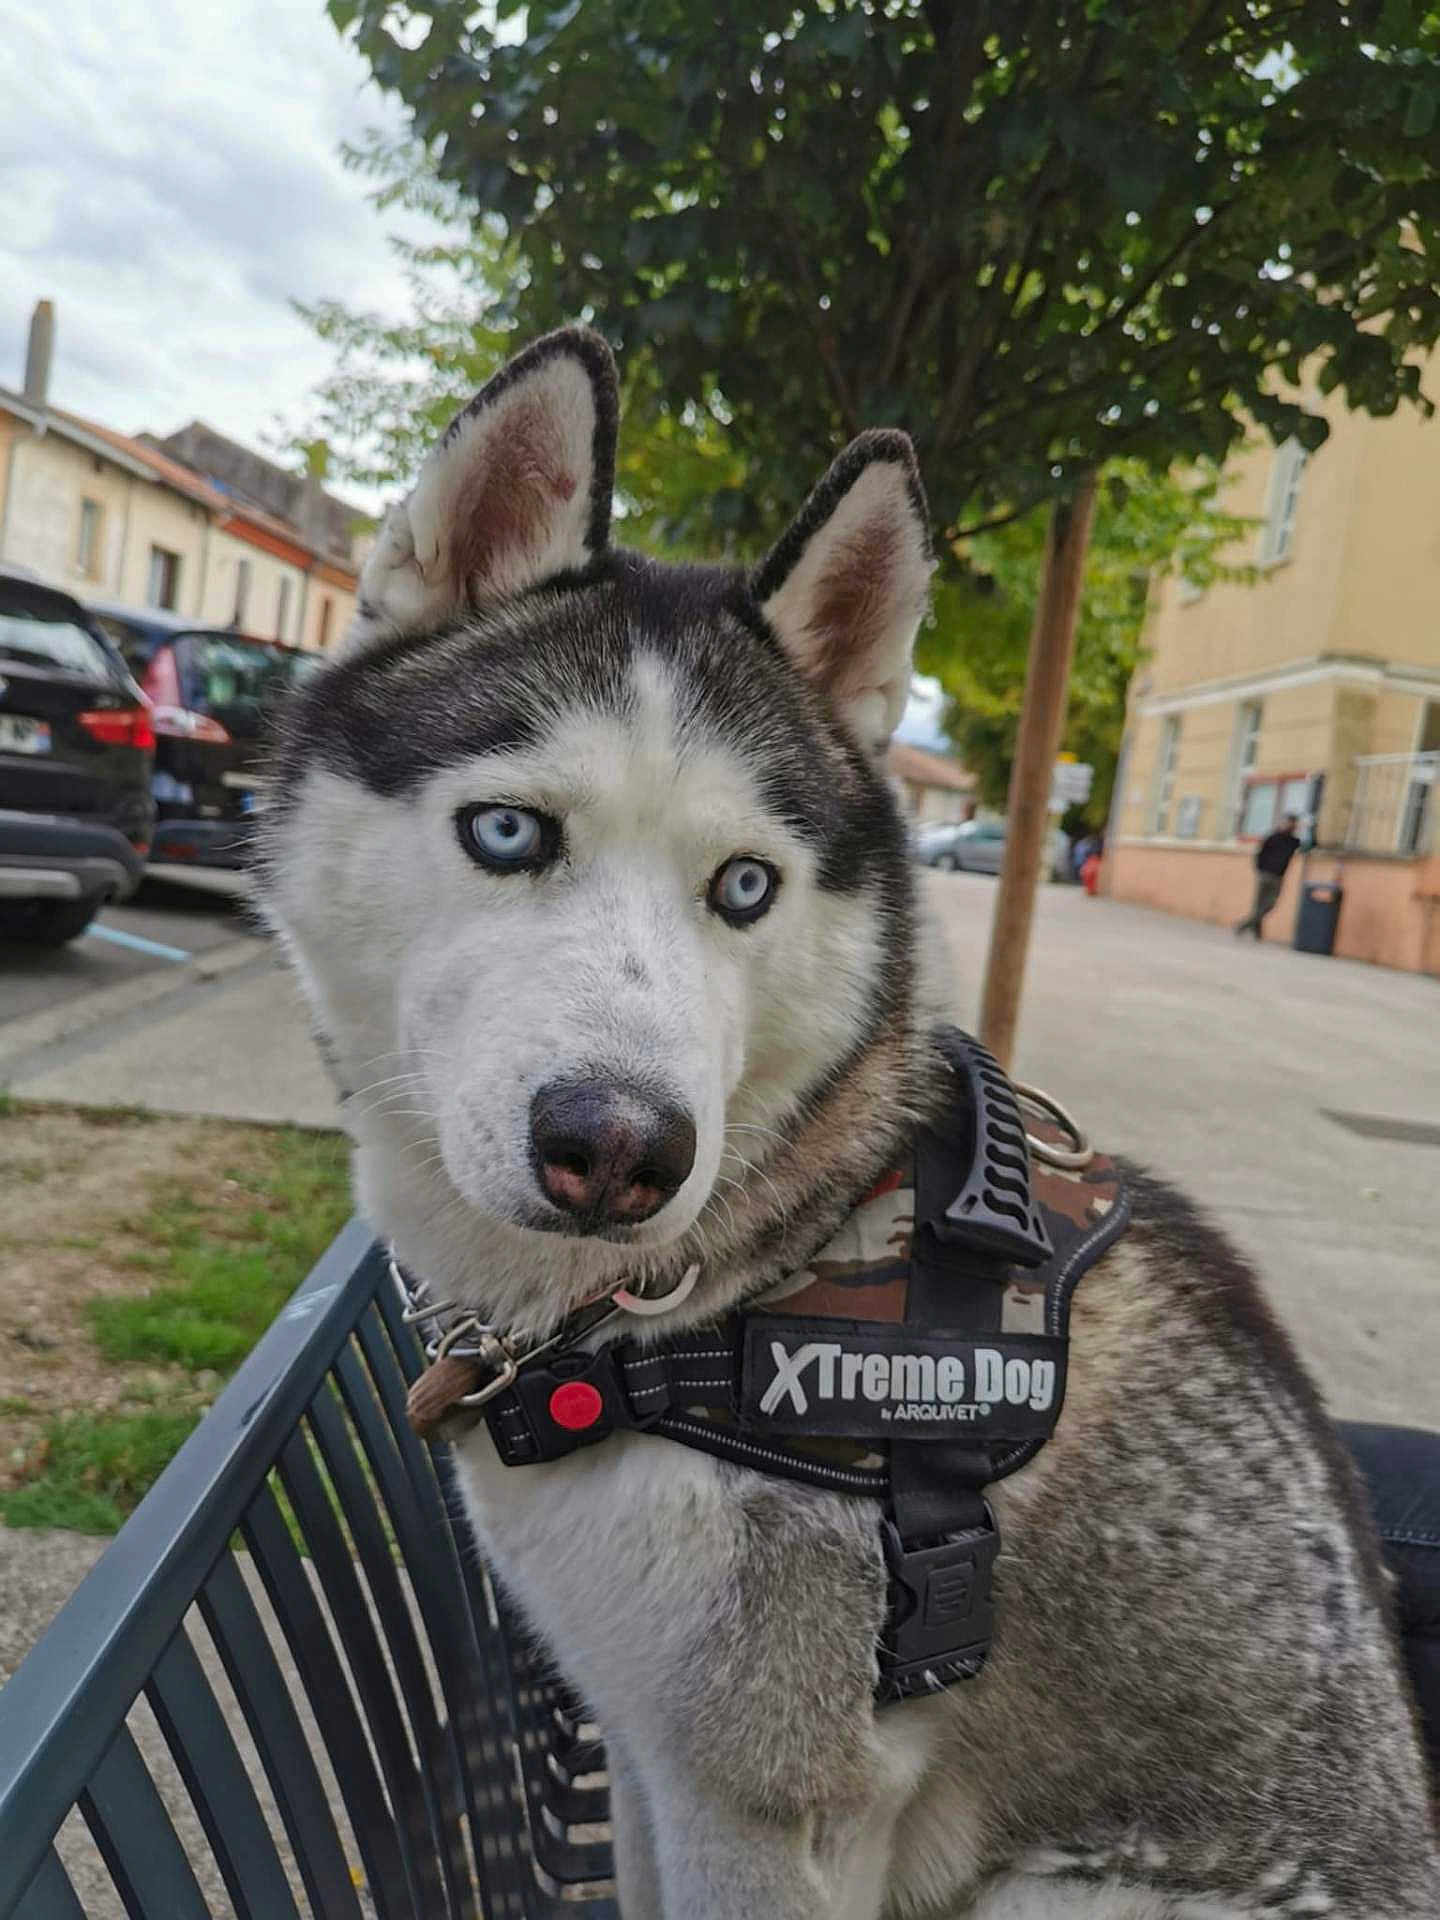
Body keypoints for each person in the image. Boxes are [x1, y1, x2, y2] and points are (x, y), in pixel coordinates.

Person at [1235, 812, 1301, 939]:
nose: (1290, 825)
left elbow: (1309, 845)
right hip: (1265, 874)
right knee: (1258, 903)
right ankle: (1257, 932)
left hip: (1278, 876)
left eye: (1293, 823)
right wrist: (1260, 869)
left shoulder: (1293, 841)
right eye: (1288, 822)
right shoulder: (1272, 837)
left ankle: (1245, 924)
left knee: (1270, 904)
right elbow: (1260, 853)